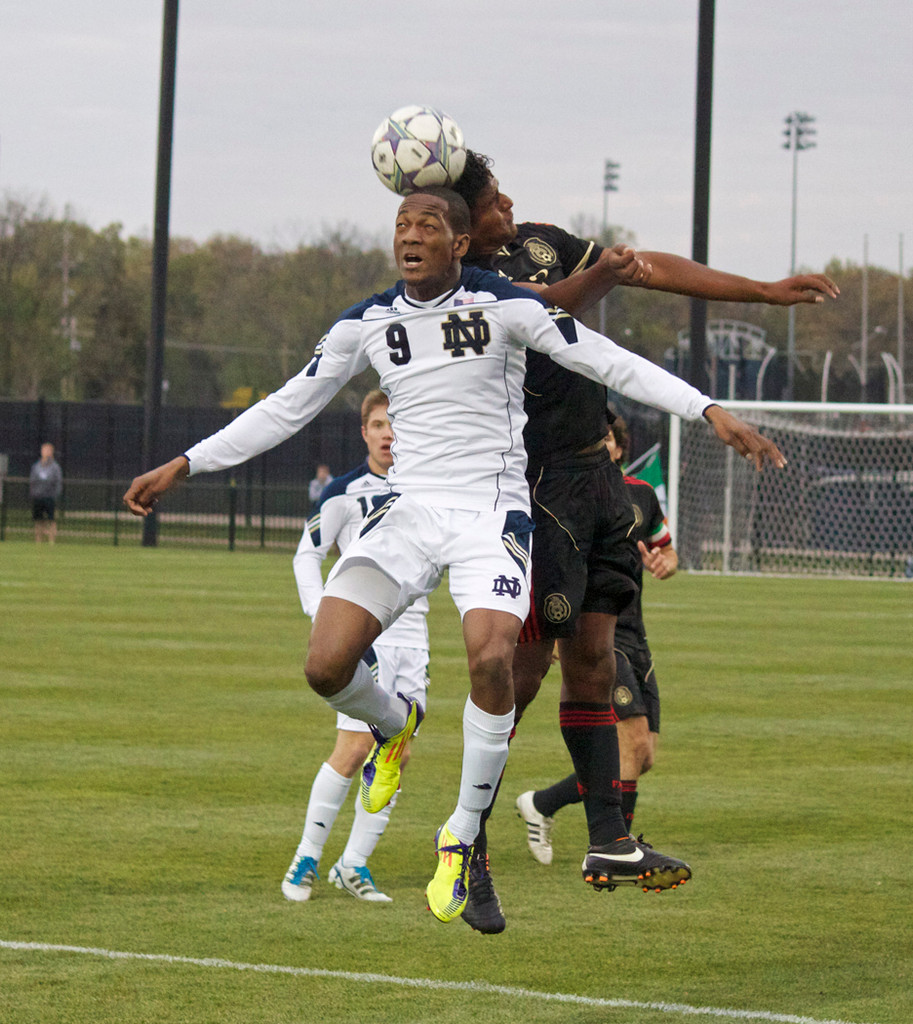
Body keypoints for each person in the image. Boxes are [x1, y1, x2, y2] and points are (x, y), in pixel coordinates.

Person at [124, 187, 783, 925]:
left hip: (489, 517)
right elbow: (285, 405)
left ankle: (460, 837)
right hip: (408, 515)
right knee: (324, 667)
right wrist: (185, 463)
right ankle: (392, 724)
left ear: (460, 244)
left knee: (492, 657)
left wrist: (709, 411)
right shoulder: (368, 322)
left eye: (429, 224)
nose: (411, 234)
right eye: (402, 223)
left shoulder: (508, 306)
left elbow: (608, 361)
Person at [451, 149, 838, 933]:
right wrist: (604, 277)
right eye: (494, 199)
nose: (510, 203)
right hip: (533, 488)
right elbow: (555, 304)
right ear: (461, 222)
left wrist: (760, 291)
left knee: (593, 657)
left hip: (595, 476)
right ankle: (468, 837)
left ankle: (608, 841)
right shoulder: (463, 293)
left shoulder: (540, 240)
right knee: (521, 669)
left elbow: (644, 269)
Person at [282, 390, 430, 904]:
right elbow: (308, 555)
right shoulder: (343, 492)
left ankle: (354, 866)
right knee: (352, 749)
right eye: (379, 424)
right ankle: (305, 858)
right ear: (364, 432)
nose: (389, 433)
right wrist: (324, 616)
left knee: (399, 750)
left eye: (396, 424)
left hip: (414, 639)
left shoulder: (428, 488)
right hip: (363, 637)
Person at [516, 416, 676, 864]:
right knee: (632, 742)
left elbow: (667, 547)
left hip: (636, 636)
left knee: (643, 756)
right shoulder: (563, 494)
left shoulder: (640, 495)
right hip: (595, 633)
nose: (599, 446)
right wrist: (547, 637)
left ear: (620, 449)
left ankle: (542, 804)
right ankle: (618, 846)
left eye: (606, 439)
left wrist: (667, 563)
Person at [29, 442, 63, 544]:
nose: (46, 452)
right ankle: (38, 540)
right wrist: (33, 492)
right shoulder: (37, 466)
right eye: (44, 450)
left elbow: (58, 482)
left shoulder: (55, 467)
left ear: (51, 452)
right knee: (38, 520)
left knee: (51, 520)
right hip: (38, 496)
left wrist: (55, 494)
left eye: (48, 450)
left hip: (50, 497)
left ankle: (51, 541)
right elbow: (32, 481)